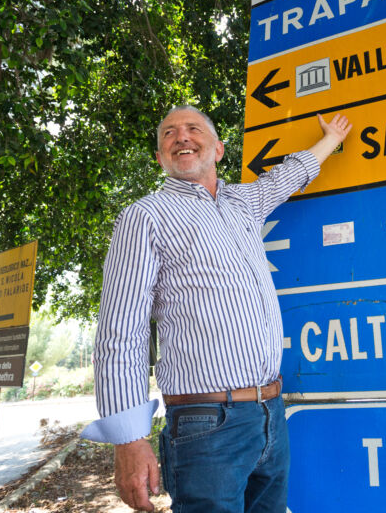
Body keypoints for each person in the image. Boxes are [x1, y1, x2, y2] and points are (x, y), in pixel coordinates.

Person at [80, 105, 352, 512]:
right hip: (205, 426)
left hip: (270, 414)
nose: (181, 137)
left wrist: (331, 138)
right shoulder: (145, 217)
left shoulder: (244, 202)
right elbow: (122, 331)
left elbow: (287, 176)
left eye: (193, 129)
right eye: (169, 134)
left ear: (219, 149)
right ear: (160, 158)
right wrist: (129, 439)